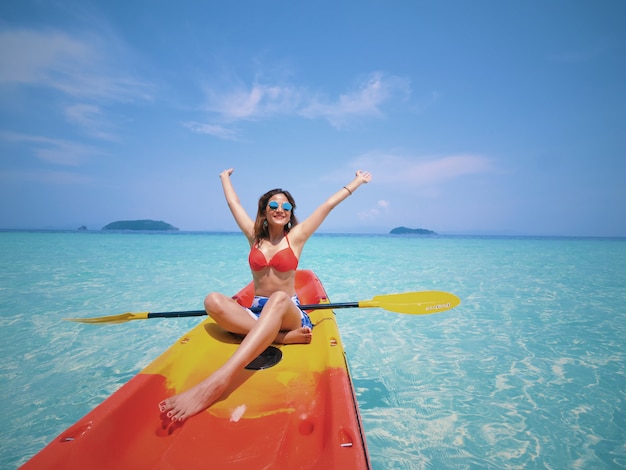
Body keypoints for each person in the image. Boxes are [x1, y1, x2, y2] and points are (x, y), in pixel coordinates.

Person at [159, 168, 372, 422]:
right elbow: (233, 203)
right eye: (273, 204)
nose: (280, 209)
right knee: (212, 300)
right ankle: (280, 337)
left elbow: (328, 205)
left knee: (278, 298)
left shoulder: (297, 237)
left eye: (286, 206)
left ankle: (219, 380)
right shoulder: (254, 237)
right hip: (256, 312)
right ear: (265, 210)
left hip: (287, 311)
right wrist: (224, 178)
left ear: (291, 212)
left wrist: (357, 182)